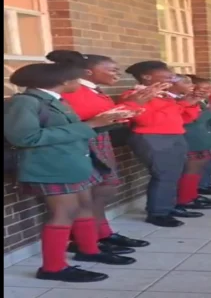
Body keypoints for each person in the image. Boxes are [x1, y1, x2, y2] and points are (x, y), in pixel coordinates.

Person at [4, 63, 132, 282]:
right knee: (64, 213)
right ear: (63, 81)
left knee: (84, 206)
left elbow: (73, 130)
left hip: (72, 163)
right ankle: (53, 268)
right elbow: (25, 137)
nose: (79, 84)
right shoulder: (26, 102)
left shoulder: (55, 100)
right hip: (51, 166)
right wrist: (90, 124)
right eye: (76, 79)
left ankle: (89, 250)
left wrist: (107, 123)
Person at [47, 50, 153, 256]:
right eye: (112, 70)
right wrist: (131, 105)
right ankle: (86, 239)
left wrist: (132, 106)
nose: (117, 74)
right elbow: (84, 117)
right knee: (93, 194)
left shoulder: (92, 89)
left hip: (99, 140)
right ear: (87, 71)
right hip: (85, 143)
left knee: (103, 190)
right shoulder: (72, 91)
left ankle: (102, 233)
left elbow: (103, 115)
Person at [120, 61, 202, 227]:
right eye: (166, 76)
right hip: (152, 137)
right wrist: (176, 106)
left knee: (174, 174)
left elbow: (183, 118)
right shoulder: (135, 95)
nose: (171, 79)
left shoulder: (164, 96)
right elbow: (145, 120)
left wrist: (189, 104)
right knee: (164, 175)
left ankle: (169, 206)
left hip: (174, 136)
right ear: (147, 77)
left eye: (171, 76)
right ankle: (158, 213)